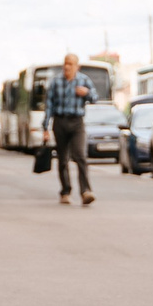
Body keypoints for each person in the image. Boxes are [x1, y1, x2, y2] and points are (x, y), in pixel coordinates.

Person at [45, 53, 96, 206]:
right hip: (60, 121)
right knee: (63, 159)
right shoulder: (56, 82)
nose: (67, 66)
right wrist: (45, 128)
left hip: (77, 122)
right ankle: (65, 191)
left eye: (71, 64)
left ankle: (86, 191)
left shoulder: (83, 80)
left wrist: (86, 93)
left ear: (77, 66)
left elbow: (95, 97)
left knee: (80, 155)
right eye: (65, 63)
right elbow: (49, 105)